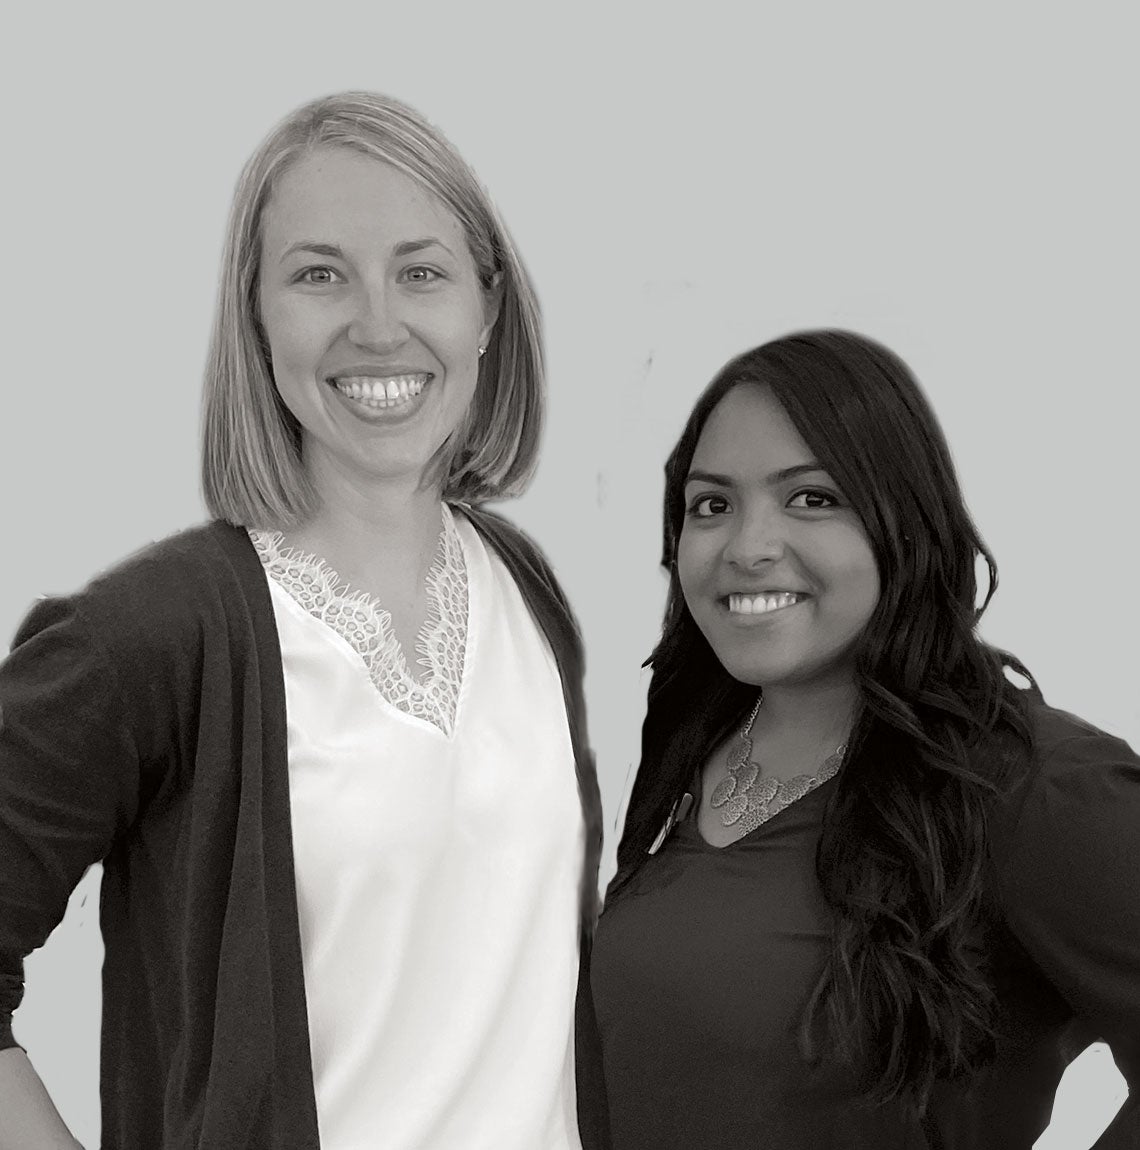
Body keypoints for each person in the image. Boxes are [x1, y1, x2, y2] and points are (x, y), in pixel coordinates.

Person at [0, 91, 607, 1150]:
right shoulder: (163, 632)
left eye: (422, 271)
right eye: (319, 274)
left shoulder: (526, 592)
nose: (378, 323)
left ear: (487, 309)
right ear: (256, 314)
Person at [589, 330, 1139, 1149]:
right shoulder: (691, 753)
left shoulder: (1031, 784)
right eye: (712, 504)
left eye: (811, 498)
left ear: (902, 521)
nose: (748, 547)